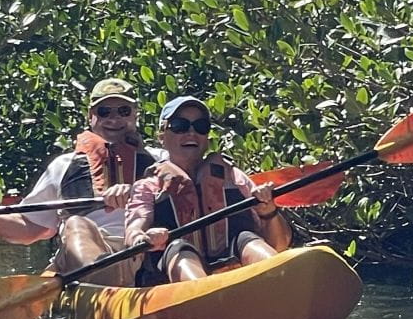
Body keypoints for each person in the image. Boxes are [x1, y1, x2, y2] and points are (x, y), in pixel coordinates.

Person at [0, 78, 164, 286]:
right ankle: (103, 291)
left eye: (124, 111)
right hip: (86, 255)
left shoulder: (162, 160)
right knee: (76, 223)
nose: (114, 119)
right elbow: (30, 228)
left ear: (136, 115)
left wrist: (137, 191)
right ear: (91, 116)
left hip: (145, 249)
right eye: (104, 112)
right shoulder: (63, 165)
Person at [124, 95, 292, 284]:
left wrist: (269, 212)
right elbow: (135, 228)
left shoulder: (233, 177)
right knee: (180, 250)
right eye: (180, 126)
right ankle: (201, 294)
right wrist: (142, 238)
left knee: (247, 239)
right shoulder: (148, 186)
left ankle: (281, 279)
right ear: (162, 135)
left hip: (235, 265)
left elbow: (280, 244)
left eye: (200, 126)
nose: (191, 133)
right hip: (173, 275)